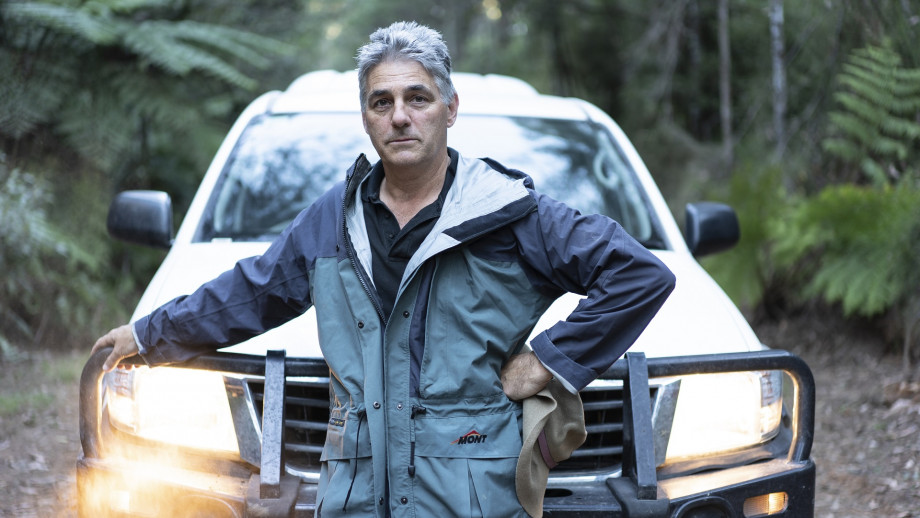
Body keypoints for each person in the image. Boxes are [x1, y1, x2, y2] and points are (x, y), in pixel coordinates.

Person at [92, 21, 676, 518]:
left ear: (450, 110)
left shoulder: (512, 216)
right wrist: (148, 333)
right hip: (355, 495)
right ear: (367, 119)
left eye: (417, 99)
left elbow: (638, 275)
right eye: (382, 102)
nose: (400, 116)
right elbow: (252, 291)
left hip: (474, 496)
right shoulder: (333, 221)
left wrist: (548, 359)